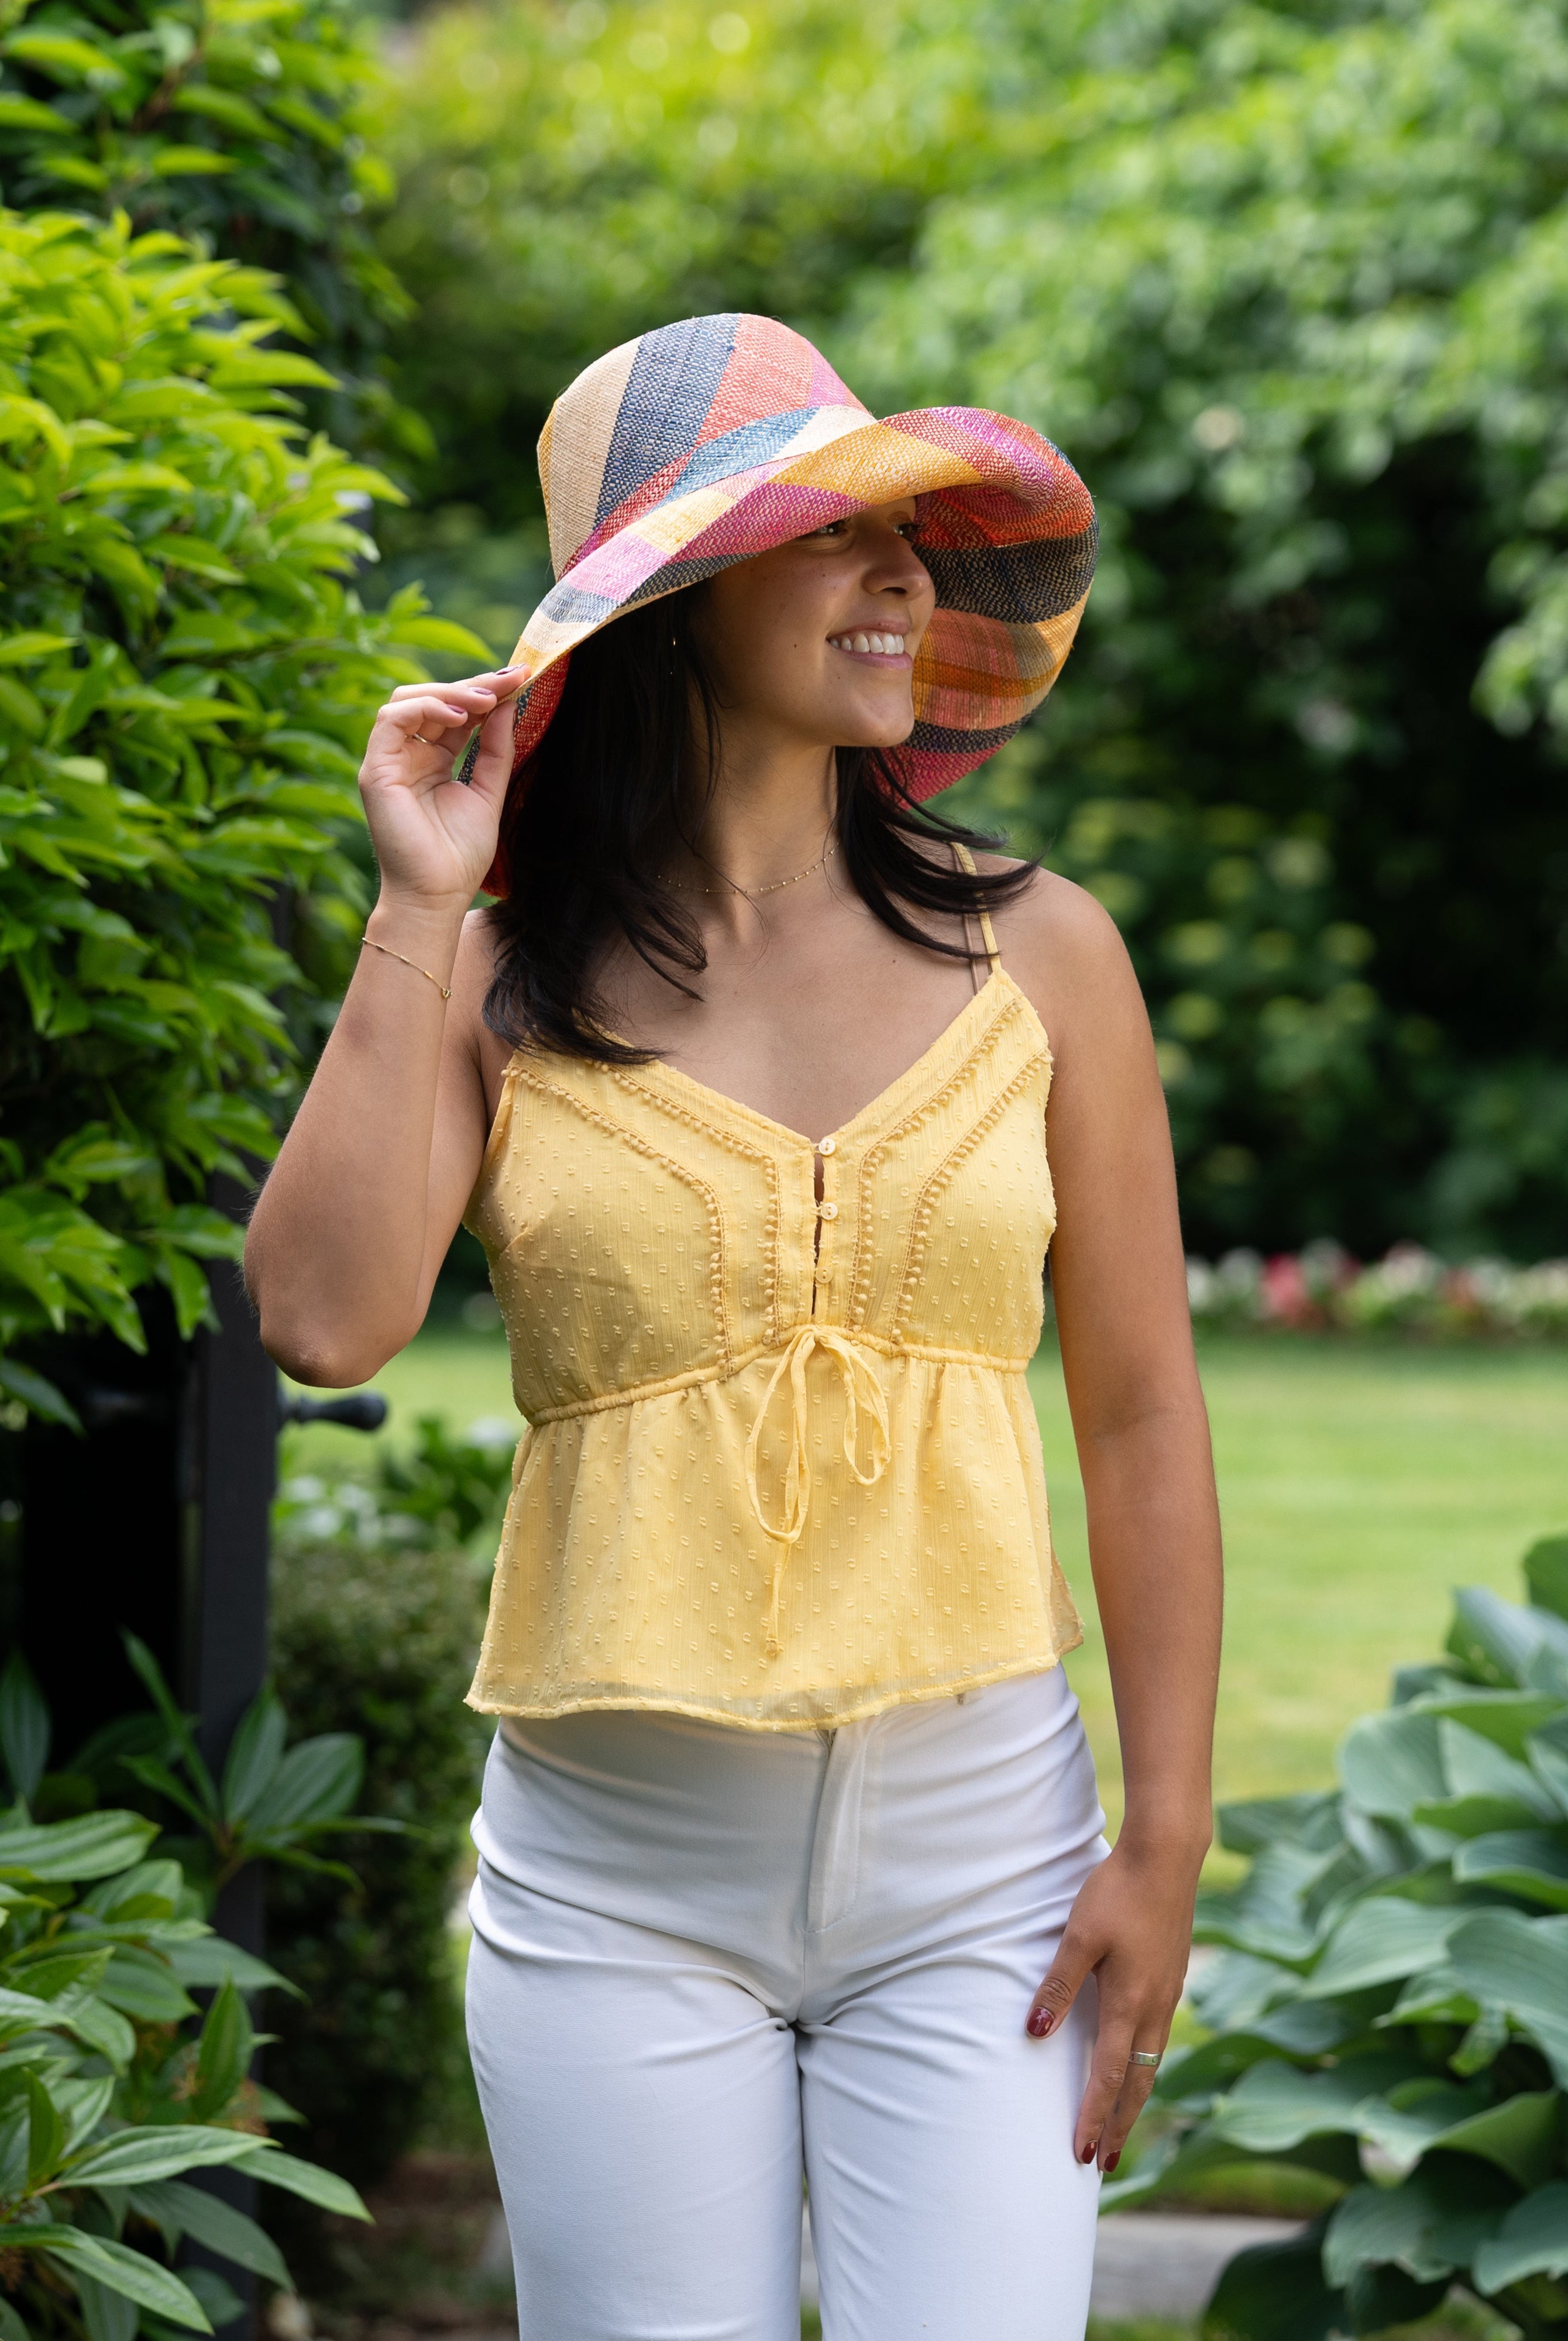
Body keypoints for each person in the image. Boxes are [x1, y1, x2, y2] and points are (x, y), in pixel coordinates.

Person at [247, 314, 1222, 2341]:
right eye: (834, 537)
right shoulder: (505, 978)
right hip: (615, 1889)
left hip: (985, 1878)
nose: (905, 579)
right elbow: (324, 1320)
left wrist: (1171, 1836)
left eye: (911, 541)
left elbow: (1139, 1418)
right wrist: (420, 905)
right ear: (677, 609)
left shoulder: (1045, 953)